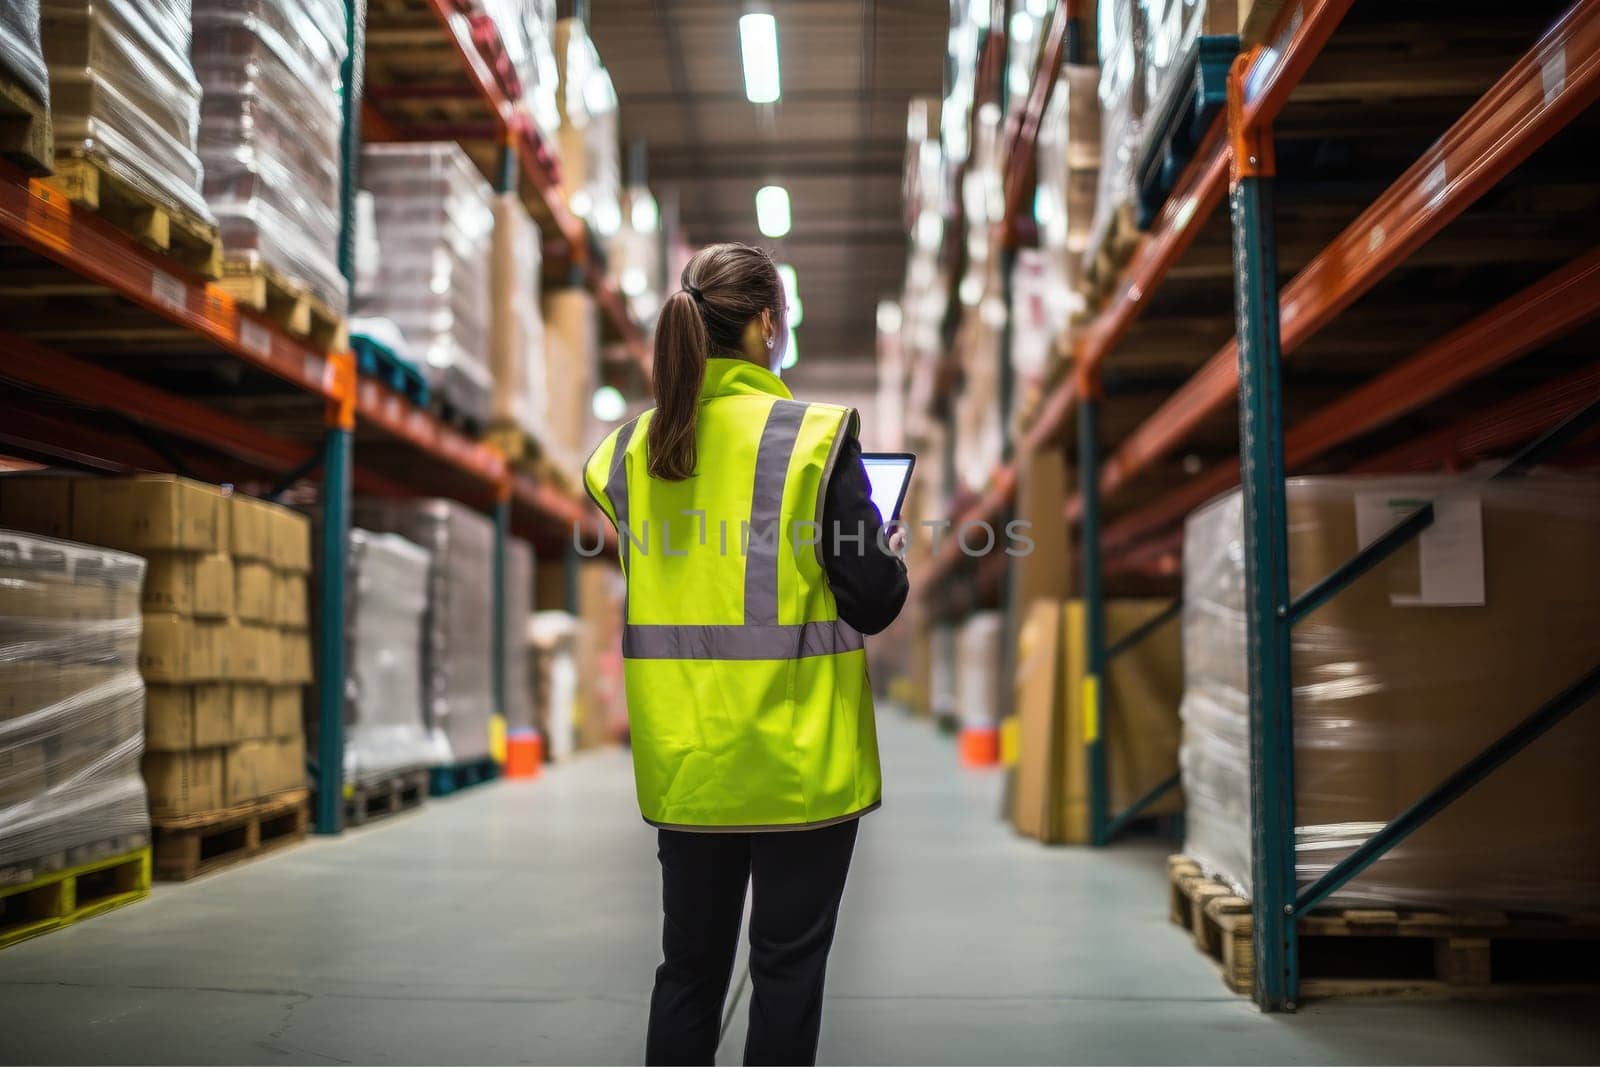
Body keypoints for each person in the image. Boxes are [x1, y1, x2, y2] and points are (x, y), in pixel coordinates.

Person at [583, 243, 909, 1066]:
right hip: (797, 766)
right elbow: (873, 599)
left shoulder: (628, 453)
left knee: (689, 972)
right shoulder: (816, 437)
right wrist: (881, 547)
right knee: (786, 973)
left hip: (687, 763)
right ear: (768, 325)